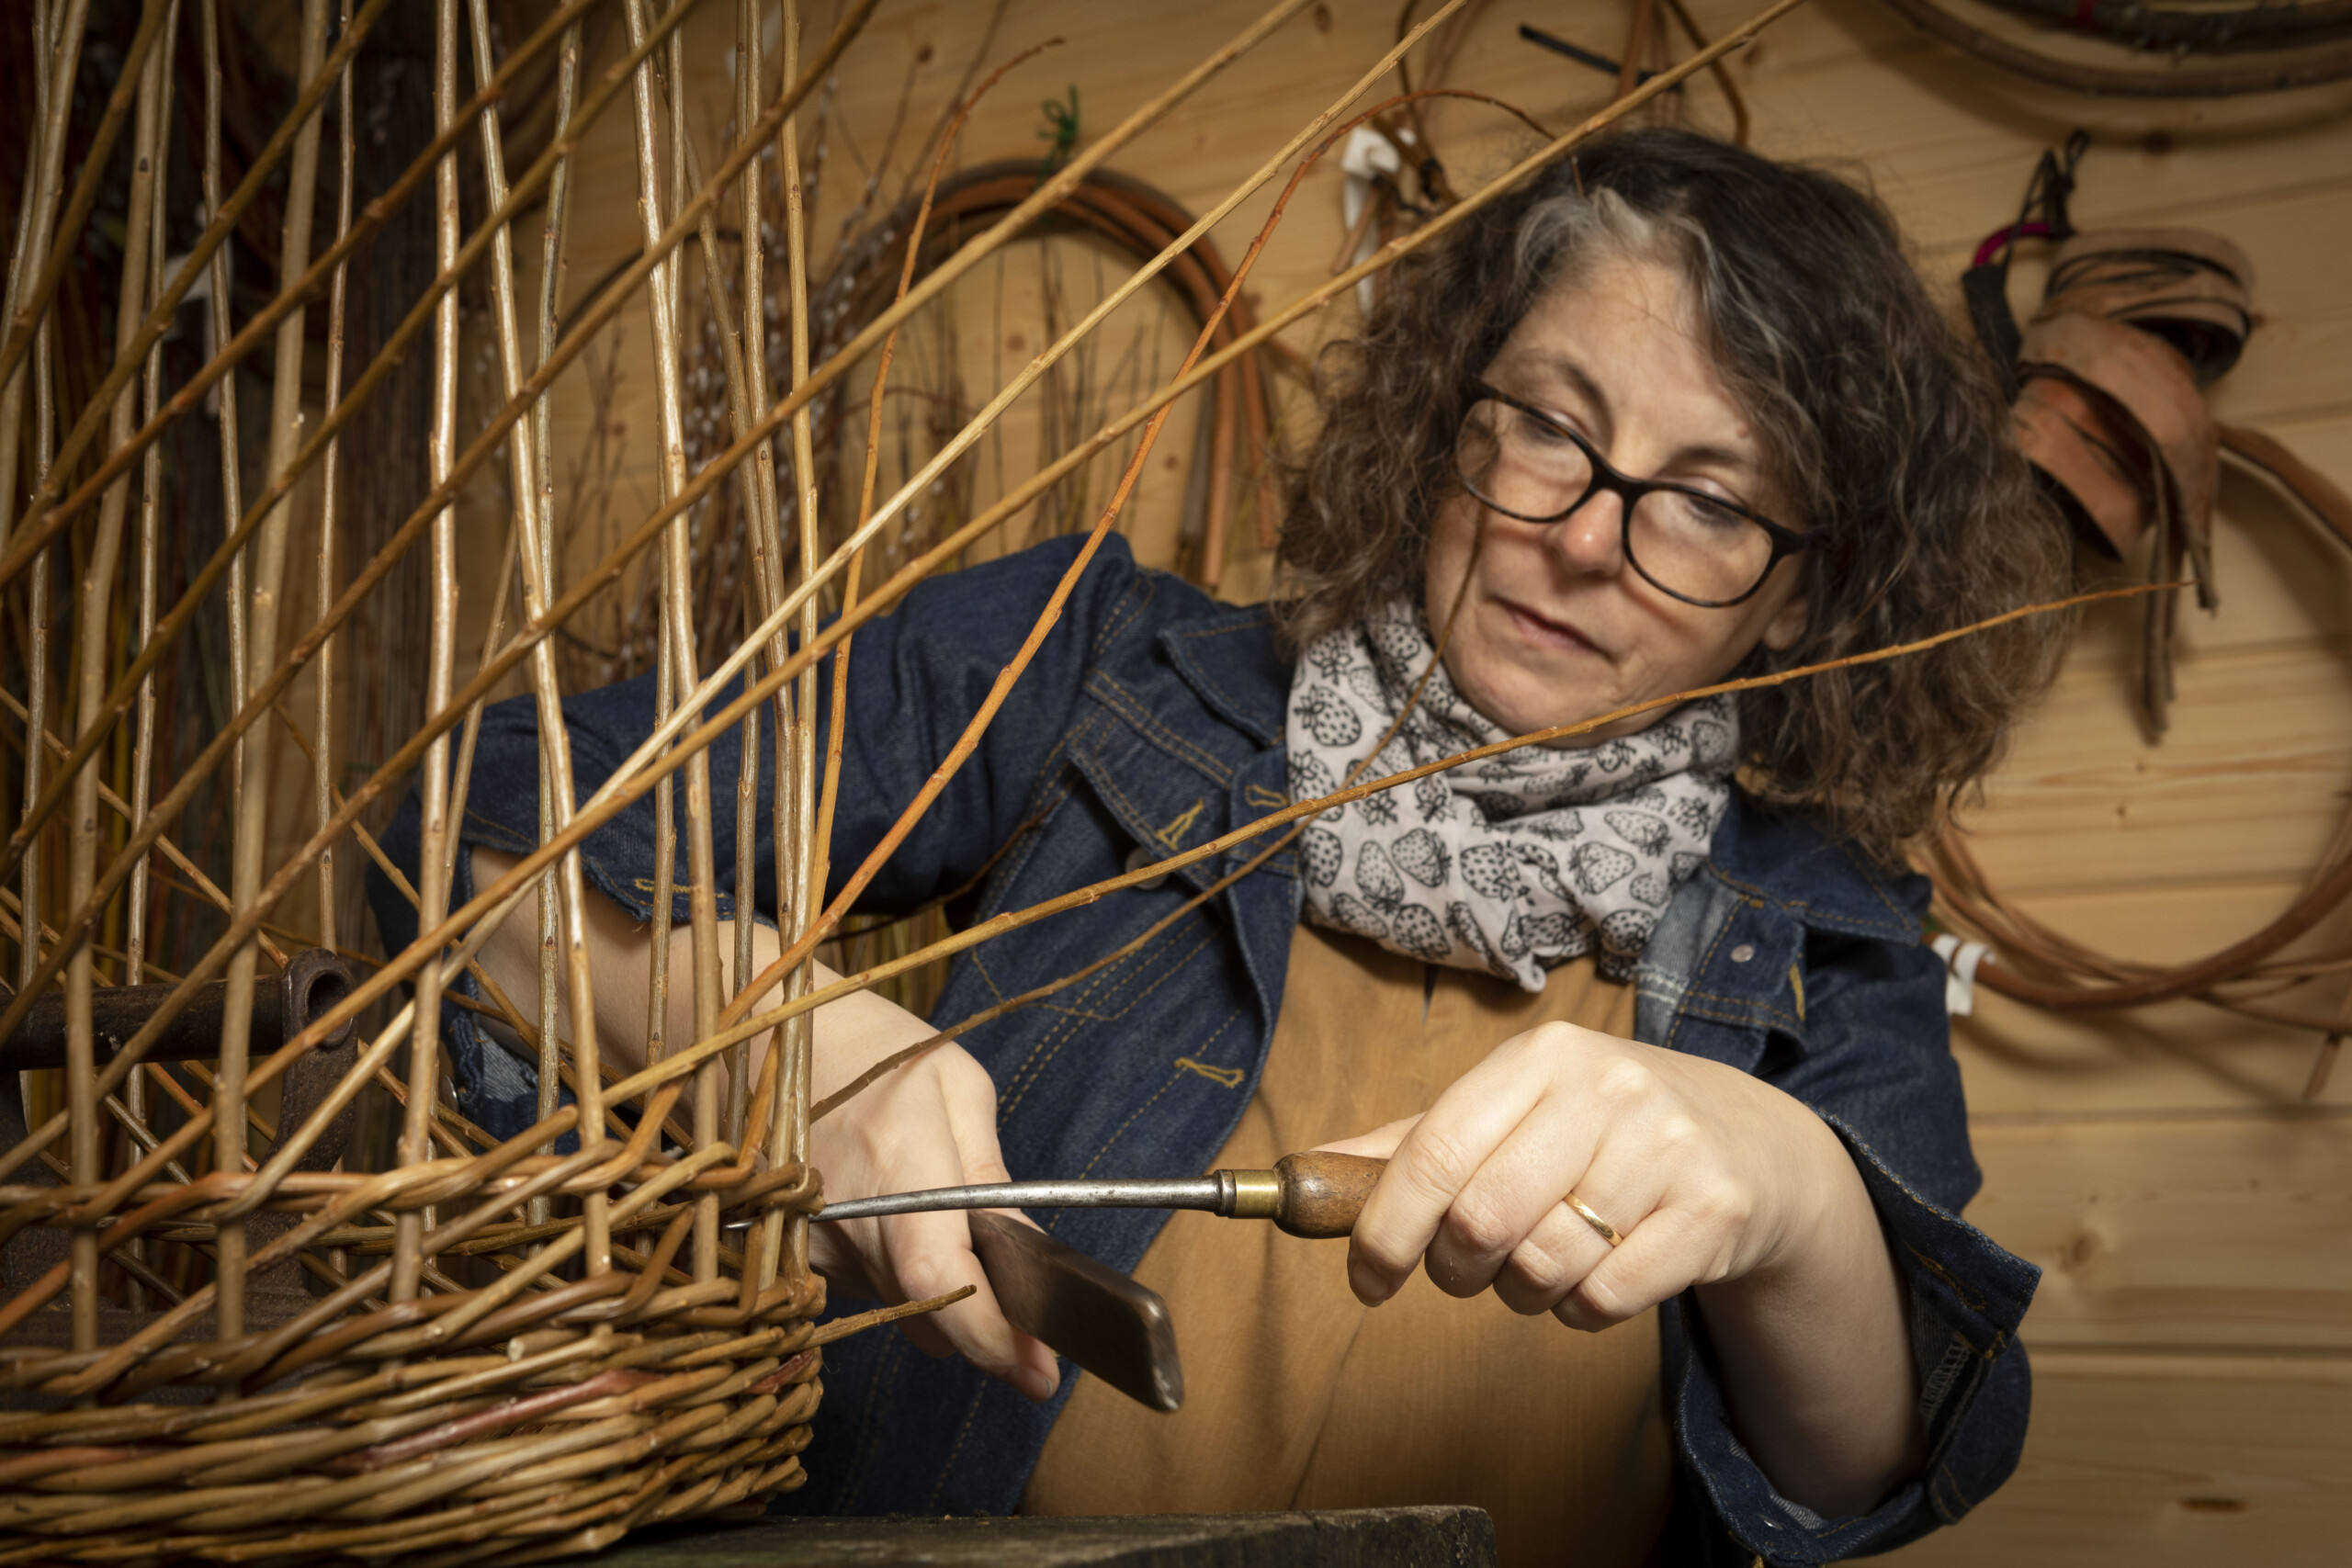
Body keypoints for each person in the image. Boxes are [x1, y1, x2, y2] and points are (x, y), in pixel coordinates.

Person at [372, 128, 2067, 1564]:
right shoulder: (1090, 662)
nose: (1580, 542)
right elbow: (476, 825)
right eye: (1552, 426)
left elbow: (1870, 1467)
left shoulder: (1829, 932)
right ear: (1449, 424)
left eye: (1706, 500)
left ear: (1797, 600)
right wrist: (771, 1037)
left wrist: (1787, 1189)